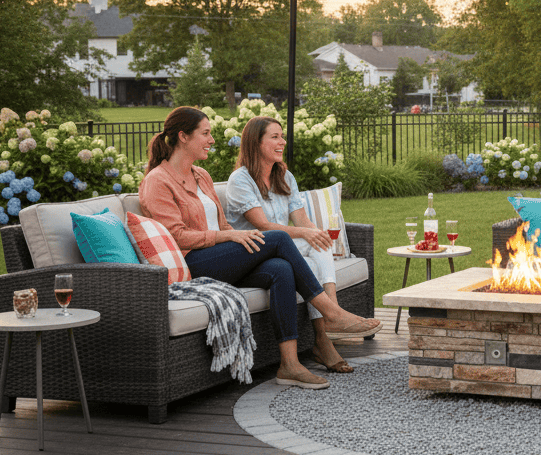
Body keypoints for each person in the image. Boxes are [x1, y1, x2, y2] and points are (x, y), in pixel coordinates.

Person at [138, 107, 380, 390]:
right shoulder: (158, 180)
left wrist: (233, 235)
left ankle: (289, 364)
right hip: (194, 262)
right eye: (205, 133)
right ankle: (332, 313)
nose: (212, 140)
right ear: (183, 136)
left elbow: (223, 223)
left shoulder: (201, 175)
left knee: (281, 269)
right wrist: (228, 237)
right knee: (277, 238)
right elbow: (177, 235)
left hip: (219, 254)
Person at [224, 116, 361, 374]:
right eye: (274, 137)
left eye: (282, 136)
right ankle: (332, 320)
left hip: (281, 249)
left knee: (318, 246)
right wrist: (306, 233)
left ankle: (326, 330)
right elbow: (263, 225)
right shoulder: (240, 180)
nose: (282, 142)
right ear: (256, 142)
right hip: (253, 252)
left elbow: (301, 220)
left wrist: (315, 233)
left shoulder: (284, 176)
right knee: (311, 242)